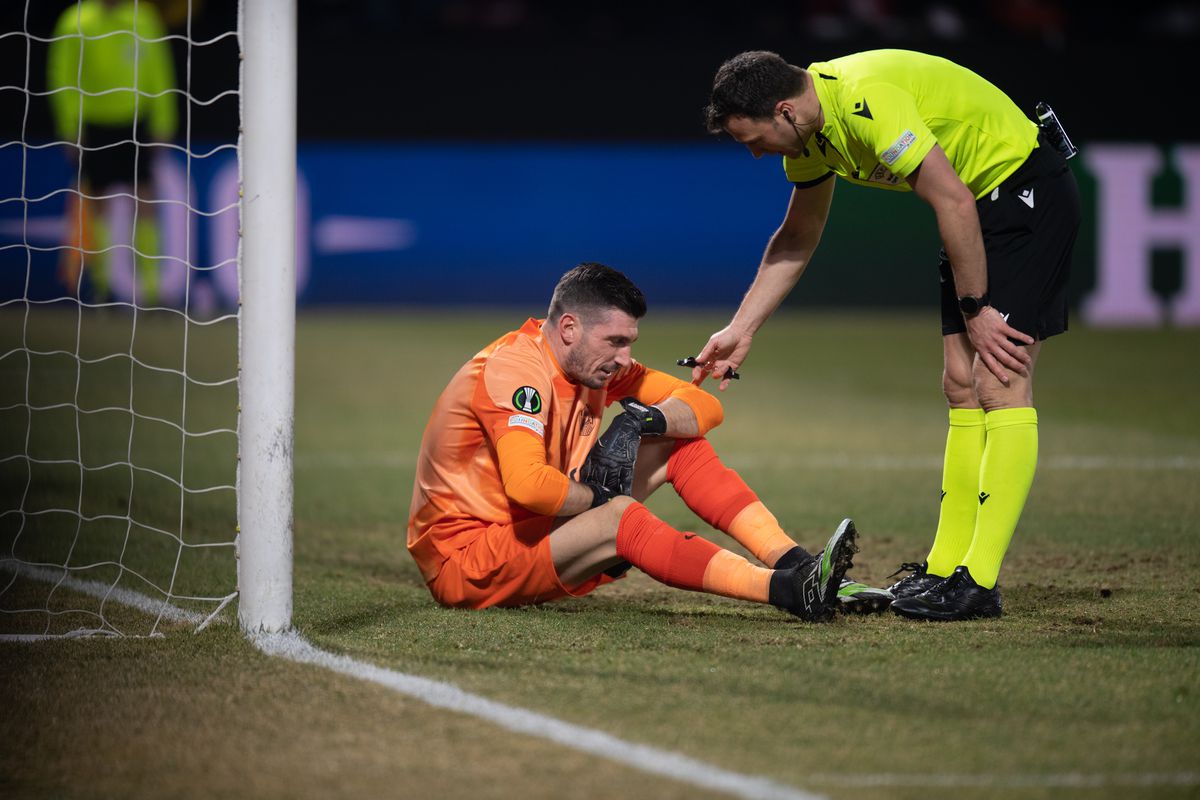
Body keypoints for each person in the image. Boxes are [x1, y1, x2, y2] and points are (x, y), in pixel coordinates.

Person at [695, 50, 1081, 621]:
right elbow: (797, 236)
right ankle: (946, 566)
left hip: (1025, 193)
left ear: (785, 111)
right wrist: (741, 328)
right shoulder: (810, 135)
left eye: (753, 138)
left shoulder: (863, 100)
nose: (754, 152)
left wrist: (976, 308)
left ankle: (979, 580)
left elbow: (948, 196)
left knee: (999, 381)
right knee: (959, 384)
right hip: (975, 208)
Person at [407, 262, 889, 618]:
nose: (625, 357)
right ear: (570, 328)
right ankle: (787, 591)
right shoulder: (518, 374)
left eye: (630, 342)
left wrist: (646, 421)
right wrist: (599, 498)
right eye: (615, 341)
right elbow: (528, 487)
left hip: (530, 534)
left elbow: (704, 409)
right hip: (469, 562)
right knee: (617, 514)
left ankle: (802, 565)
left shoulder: (589, 365)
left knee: (676, 442)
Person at [47, 0, 178, 305]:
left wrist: (164, 118)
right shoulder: (75, 21)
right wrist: (69, 127)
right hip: (94, 123)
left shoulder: (143, 17)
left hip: (135, 120)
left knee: (145, 199)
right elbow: (61, 76)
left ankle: (152, 291)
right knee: (98, 203)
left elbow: (160, 69)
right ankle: (102, 288)